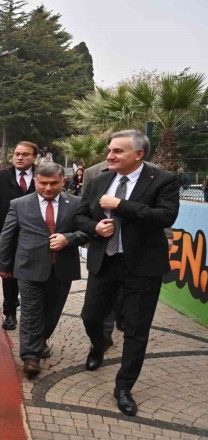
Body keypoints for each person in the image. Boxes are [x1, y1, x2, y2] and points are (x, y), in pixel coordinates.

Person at [74, 130, 179, 416]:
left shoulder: (163, 180)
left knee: (136, 330)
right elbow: (80, 216)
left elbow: (165, 216)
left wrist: (121, 205)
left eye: (117, 151)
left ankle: (124, 387)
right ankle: (99, 345)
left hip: (142, 267)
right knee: (90, 316)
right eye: (110, 150)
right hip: (105, 262)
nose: (110, 155)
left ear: (139, 154)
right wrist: (94, 227)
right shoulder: (98, 181)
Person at [0, 162, 88, 377]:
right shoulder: (19, 204)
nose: (48, 188)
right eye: (43, 183)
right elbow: (7, 235)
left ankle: (41, 339)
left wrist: (69, 238)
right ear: (35, 181)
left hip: (62, 267)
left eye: (53, 183)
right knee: (30, 311)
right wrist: (3, 265)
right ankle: (30, 356)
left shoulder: (76, 203)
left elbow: (88, 231)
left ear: (63, 181)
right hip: (28, 267)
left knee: (52, 310)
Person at [0, 141, 38, 330]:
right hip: (7, 234)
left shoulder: (42, 175)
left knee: (33, 274)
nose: (19, 157)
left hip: (35, 235)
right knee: (8, 275)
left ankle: (32, 313)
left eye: (25, 154)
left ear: (35, 157)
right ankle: (10, 312)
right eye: (17, 154)